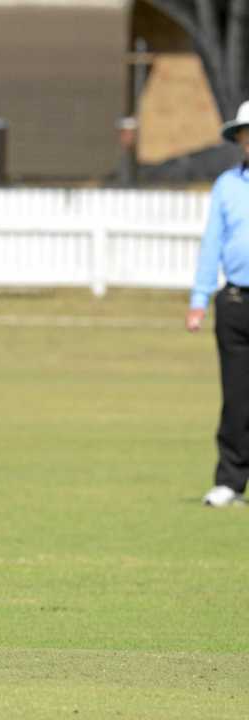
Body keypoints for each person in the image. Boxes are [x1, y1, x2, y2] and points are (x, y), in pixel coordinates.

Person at [187, 100, 249, 507]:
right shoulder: (227, 185)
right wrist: (199, 298)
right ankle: (230, 479)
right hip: (235, 301)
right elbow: (212, 243)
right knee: (237, 396)